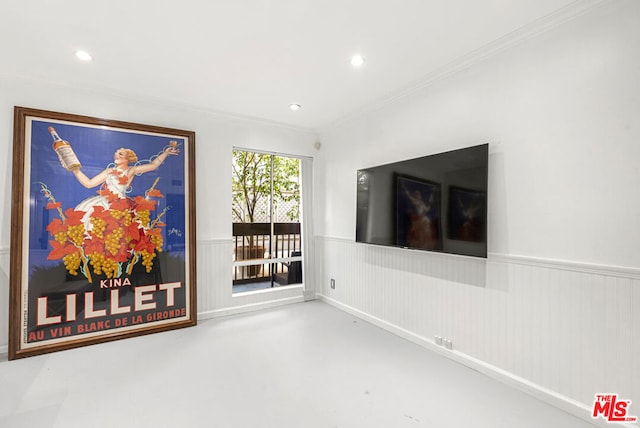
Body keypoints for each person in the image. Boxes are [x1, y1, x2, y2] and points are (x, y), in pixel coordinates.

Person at [71, 144, 179, 222]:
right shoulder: (108, 171)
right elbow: (89, 183)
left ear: (128, 158)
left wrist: (166, 153)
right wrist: (76, 171)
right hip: (104, 201)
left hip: (121, 204)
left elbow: (153, 165)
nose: (116, 155)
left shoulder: (130, 170)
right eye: (116, 154)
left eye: (120, 154)